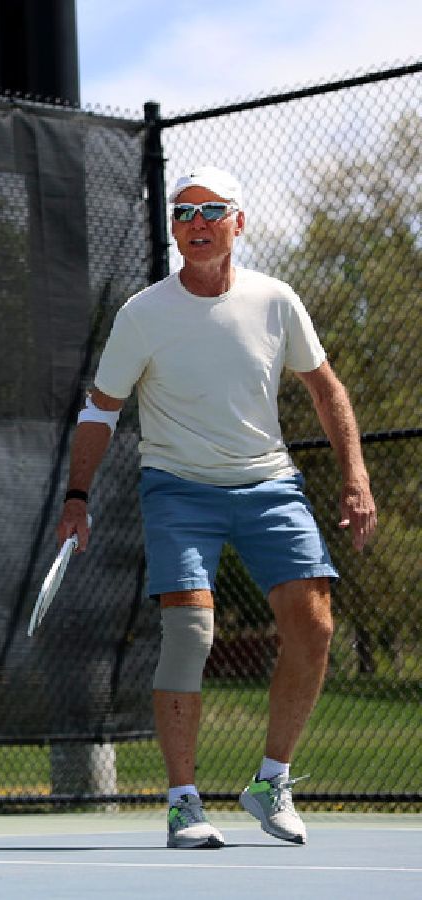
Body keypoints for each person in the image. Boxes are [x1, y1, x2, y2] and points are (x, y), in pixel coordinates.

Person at [56, 166, 376, 849]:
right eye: (183, 215)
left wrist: (356, 473)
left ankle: (270, 781)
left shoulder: (277, 300)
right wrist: (76, 496)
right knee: (190, 632)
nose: (196, 225)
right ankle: (182, 802)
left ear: (240, 223)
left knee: (314, 625)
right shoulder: (142, 314)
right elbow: (101, 410)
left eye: (212, 212)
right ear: (174, 230)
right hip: (177, 485)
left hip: (270, 484)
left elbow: (327, 391)